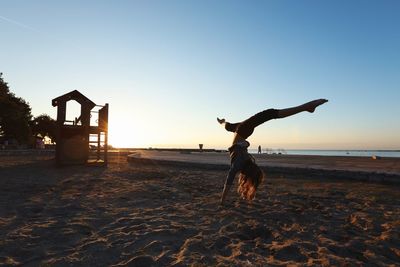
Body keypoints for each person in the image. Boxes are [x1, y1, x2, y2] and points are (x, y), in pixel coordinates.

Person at [218, 99, 328, 205]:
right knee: (269, 114)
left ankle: (222, 122)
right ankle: (306, 107)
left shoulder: (244, 162)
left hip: (241, 130)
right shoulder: (239, 164)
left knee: (229, 126)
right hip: (242, 130)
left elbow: (229, 181)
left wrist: (244, 144)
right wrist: (222, 200)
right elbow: (228, 181)